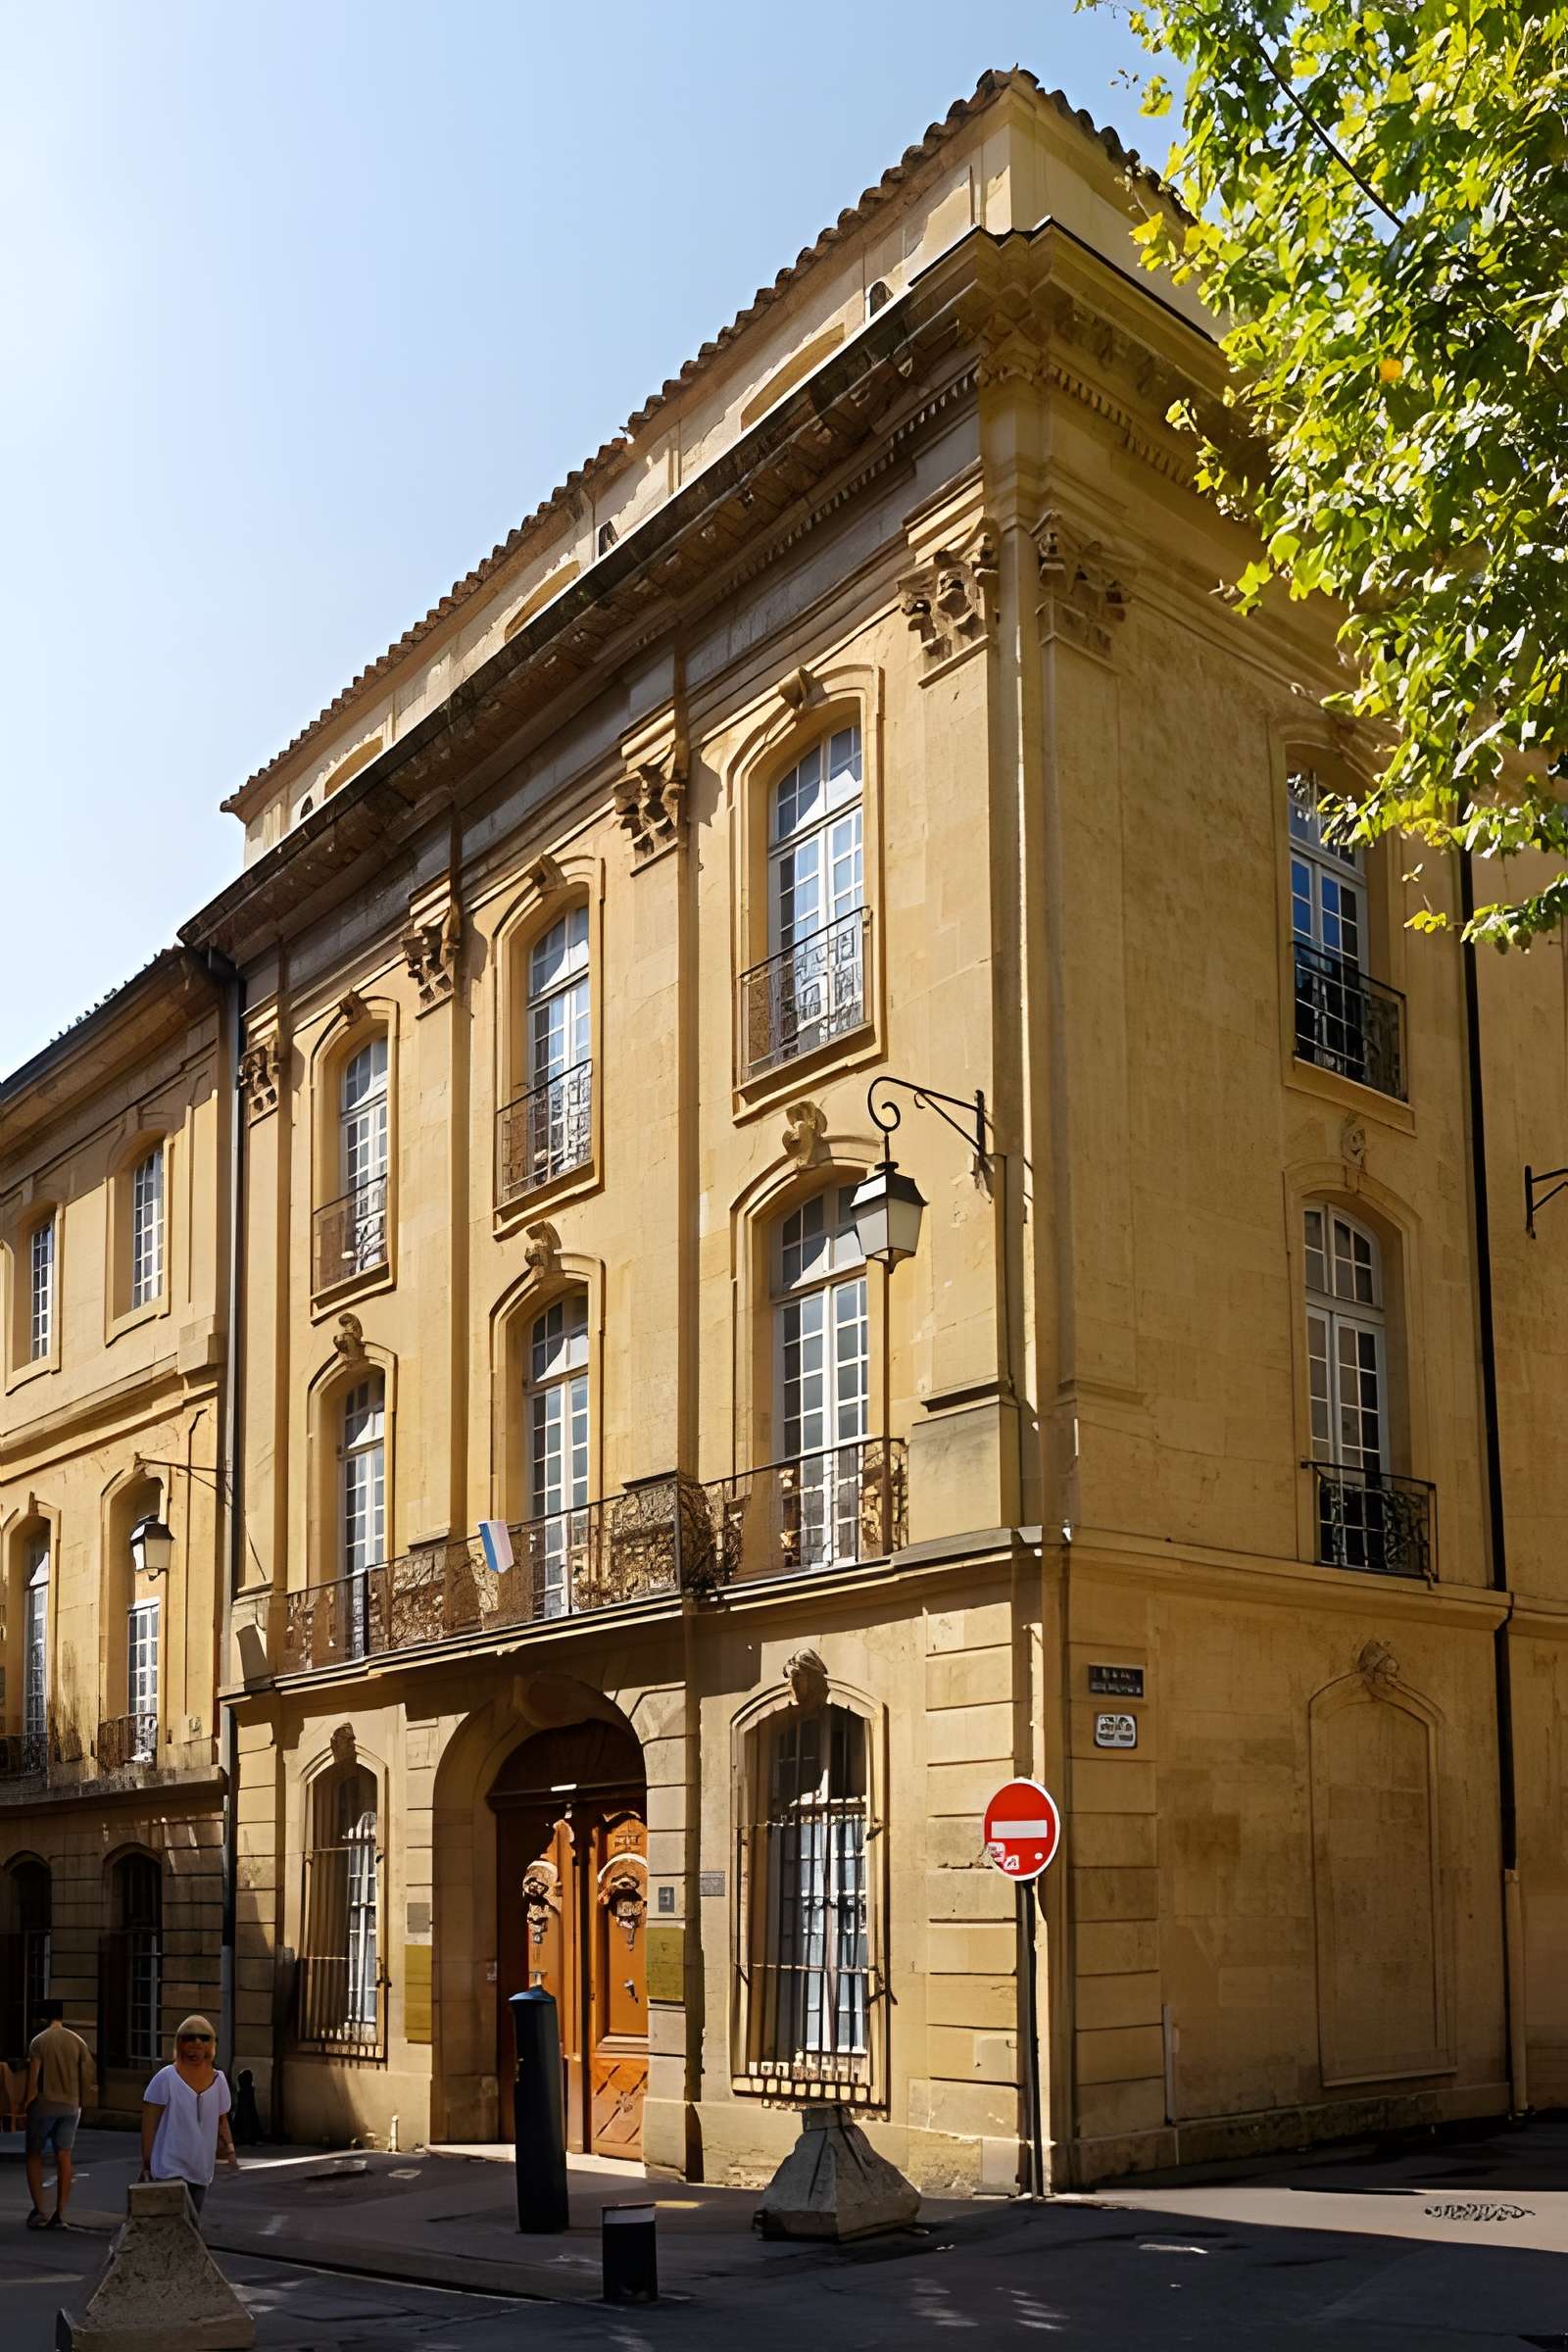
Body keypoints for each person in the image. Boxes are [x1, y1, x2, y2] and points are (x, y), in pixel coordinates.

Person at [139, 2016, 238, 2219]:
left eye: (203, 2038)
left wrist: (230, 2150)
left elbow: (222, 2120)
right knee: (172, 2227)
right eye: (189, 2038)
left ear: (211, 2044)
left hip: (200, 2168)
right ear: (179, 2043)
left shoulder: (219, 2081)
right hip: (169, 2167)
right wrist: (148, 2163)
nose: (196, 2044)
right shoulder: (166, 2078)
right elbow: (149, 2124)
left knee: (190, 2229)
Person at [24, 1998, 95, 2230]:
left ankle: (40, 2210)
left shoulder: (39, 2042)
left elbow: (33, 2081)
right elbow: (87, 2077)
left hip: (45, 2105)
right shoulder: (78, 2041)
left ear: (42, 2018)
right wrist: (81, 2103)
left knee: (34, 2154)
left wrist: (25, 2104)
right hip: (72, 2105)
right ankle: (60, 2212)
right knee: (64, 2155)